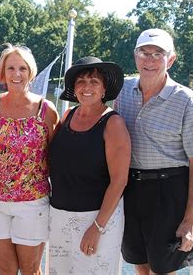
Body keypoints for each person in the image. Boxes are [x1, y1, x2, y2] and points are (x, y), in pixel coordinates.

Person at [114, 28, 193, 274]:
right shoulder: (121, 91)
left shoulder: (187, 101)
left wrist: (191, 219)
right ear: (135, 56)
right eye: (144, 53)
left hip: (169, 191)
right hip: (131, 188)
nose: (150, 60)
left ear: (171, 59)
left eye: (158, 54)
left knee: (163, 267)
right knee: (139, 261)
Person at [48, 56, 131, 274]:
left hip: (95, 219)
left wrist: (97, 227)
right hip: (59, 216)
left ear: (104, 89)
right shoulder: (68, 115)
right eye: (81, 82)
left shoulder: (113, 123)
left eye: (94, 82)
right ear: (74, 88)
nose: (87, 87)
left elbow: (119, 181)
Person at [0, 44, 59, 274]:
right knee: (4, 269)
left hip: (32, 202)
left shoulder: (45, 110)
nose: (17, 74)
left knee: (30, 270)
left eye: (22, 68)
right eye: (11, 68)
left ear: (31, 72)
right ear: (3, 73)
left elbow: (56, 156)